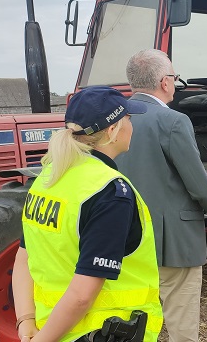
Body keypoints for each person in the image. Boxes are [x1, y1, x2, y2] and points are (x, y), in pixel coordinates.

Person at [11, 86, 162, 342]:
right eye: (128, 119)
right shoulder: (110, 191)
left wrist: (25, 320)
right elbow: (82, 295)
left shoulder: (48, 177)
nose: (131, 126)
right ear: (113, 130)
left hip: (50, 328)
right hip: (102, 332)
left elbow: (23, 257)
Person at [115, 49, 207, 342]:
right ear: (164, 82)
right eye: (174, 77)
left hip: (123, 239)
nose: (175, 82)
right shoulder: (173, 121)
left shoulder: (114, 119)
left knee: (130, 324)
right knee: (181, 326)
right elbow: (199, 184)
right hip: (173, 244)